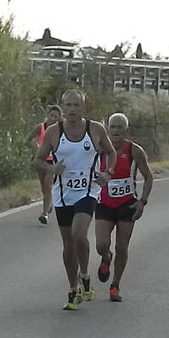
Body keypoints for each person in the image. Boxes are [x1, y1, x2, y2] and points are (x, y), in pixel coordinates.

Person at [34, 90, 117, 310]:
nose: (72, 110)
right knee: (68, 244)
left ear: (83, 108)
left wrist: (108, 173)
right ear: (63, 108)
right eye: (68, 105)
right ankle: (74, 288)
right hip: (63, 194)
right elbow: (38, 160)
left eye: (76, 105)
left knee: (78, 234)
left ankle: (85, 273)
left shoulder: (95, 129)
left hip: (88, 191)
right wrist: (52, 167)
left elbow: (111, 152)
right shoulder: (54, 132)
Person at [95, 113, 153, 302]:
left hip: (127, 205)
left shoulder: (135, 151)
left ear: (126, 130)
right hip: (104, 203)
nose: (116, 131)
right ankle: (106, 257)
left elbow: (148, 177)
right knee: (101, 244)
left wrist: (142, 202)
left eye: (120, 127)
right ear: (107, 129)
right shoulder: (100, 150)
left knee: (122, 245)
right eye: (113, 127)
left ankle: (115, 285)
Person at [27, 105, 63, 224]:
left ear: (58, 118)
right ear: (48, 115)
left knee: (48, 184)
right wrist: (35, 149)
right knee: (44, 187)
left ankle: (45, 214)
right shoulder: (40, 127)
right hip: (42, 160)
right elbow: (26, 140)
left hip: (53, 160)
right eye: (51, 116)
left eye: (55, 117)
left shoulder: (59, 129)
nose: (53, 118)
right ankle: (48, 204)